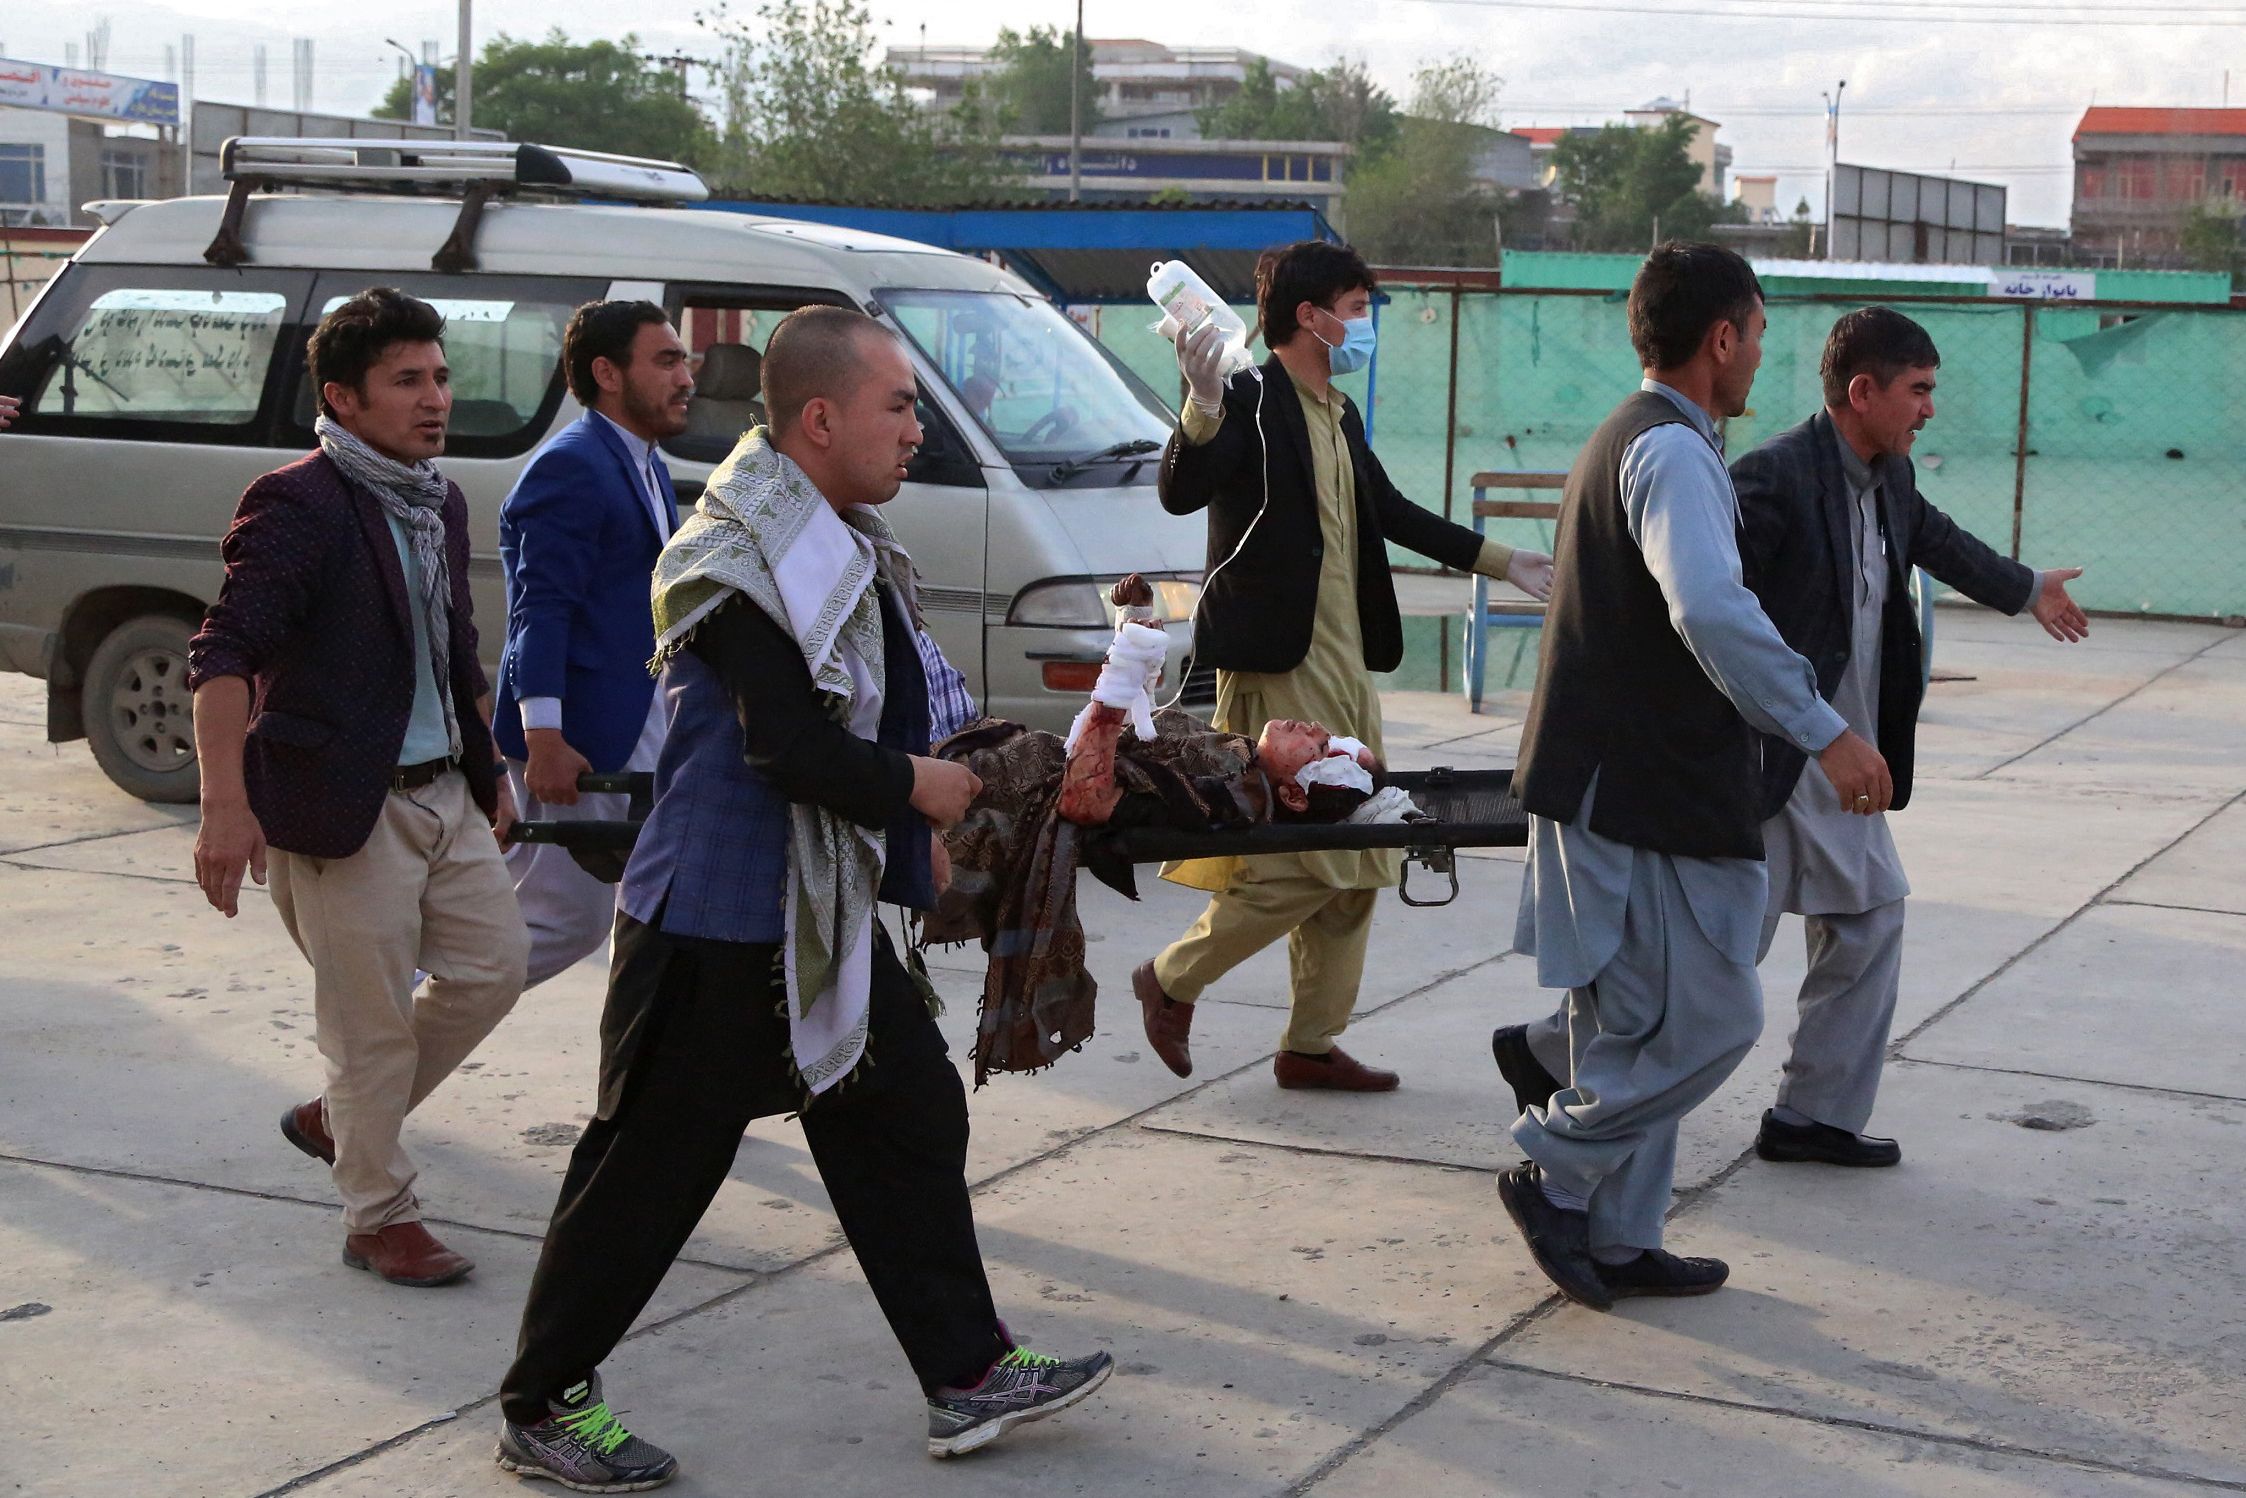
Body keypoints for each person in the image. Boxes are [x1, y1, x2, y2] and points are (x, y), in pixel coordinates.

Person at [494, 307, 1110, 1492]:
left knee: (907, 1114)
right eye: (899, 406)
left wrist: (916, 826)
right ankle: (542, 1401)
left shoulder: (833, 541)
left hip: (814, 909)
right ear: (819, 419)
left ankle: (967, 1369)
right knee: (649, 1172)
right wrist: (917, 789)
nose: (916, 429)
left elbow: (879, 709)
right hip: (715, 924)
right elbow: (786, 746)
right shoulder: (736, 562)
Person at [1495, 306, 2089, 1169]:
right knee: (1712, 967)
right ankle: (1561, 1082)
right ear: (1864, 391)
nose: (1930, 409)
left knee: (1864, 919)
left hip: (1837, 756)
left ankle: (1812, 1114)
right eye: (1919, 390)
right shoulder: (1766, 477)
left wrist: (2027, 587)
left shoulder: (1888, 479)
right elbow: (1705, 607)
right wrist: (1785, 723)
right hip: (1772, 753)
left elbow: (1941, 542)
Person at [1498, 243, 1894, 1312]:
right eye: (1756, 334)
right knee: (1709, 1021)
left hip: (1633, 785)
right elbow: (1710, 609)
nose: (1760, 354)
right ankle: (1555, 1169)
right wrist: (1823, 730)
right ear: (1720, 338)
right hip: (1624, 791)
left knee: (1632, 1025)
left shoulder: (1646, 437)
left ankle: (1621, 1238)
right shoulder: (1670, 451)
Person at [1134, 240, 1554, 1091]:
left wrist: (1504, 560)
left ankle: (1310, 1045)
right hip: (1277, 669)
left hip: (1345, 662)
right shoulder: (1248, 396)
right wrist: (1200, 404)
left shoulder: (1339, 412)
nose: (1366, 325)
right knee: (1309, 858)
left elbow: (1389, 509)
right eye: (1357, 309)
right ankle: (1172, 978)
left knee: (1366, 851)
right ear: (1310, 316)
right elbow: (1181, 489)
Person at [187, 287, 527, 1288]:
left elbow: (454, 644)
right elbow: (224, 653)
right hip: (343, 802)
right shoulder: (299, 501)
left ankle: (341, 1117)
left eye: (441, 377)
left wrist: (489, 764)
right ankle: (378, 1215)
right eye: (407, 381)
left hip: (444, 788)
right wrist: (223, 808)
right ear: (342, 396)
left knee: (494, 969)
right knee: (368, 1026)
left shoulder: (435, 498)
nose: (436, 399)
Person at [494, 301, 690, 989]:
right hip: (580, 741)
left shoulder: (642, 462)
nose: (686, 378)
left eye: (683, 360)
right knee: (560, 921)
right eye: (666, 361)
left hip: (635, 726)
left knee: (640, 913)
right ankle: (390, 1034)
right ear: (607, 373)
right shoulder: (572, 466)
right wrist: (544, 737)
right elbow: (540, 610)